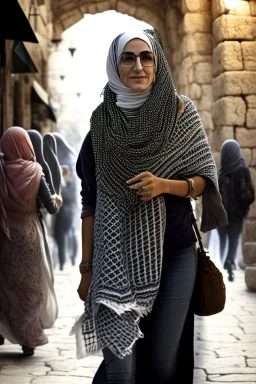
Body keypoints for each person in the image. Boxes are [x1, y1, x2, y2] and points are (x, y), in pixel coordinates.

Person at [72, 30, 227, 384]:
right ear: (115, 65)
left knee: (161, 365)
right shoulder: (101, 125)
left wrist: (164, 186)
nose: (138, 66)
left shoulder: (180, 112)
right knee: (121, 370)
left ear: (157, 65)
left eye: (147, 57)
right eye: (128, 58)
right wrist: (86, 269)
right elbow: (90, 201)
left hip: (175, 256)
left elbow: (204, 179)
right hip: (115, 263)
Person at [0, 126, 62, 356]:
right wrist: (58, 199)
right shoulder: (35, 172)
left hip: (4, 236)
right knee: (29, 285)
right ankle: (29, 338)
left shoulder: (1, 171)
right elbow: (51, 208)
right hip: (28, 236)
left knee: (5, 284)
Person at [217, 139, 255, 282]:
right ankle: (230, 262)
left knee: (222, 240)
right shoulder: (243, 169)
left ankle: (221, 265)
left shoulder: (221, 172)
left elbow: (217, 196)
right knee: (233, 240)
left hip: (222, 215)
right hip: (237, 215)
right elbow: (249, 196)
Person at [52, 132, 79, 270]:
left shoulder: (64, 161)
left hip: (66, 202)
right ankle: (71, 259)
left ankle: (64, 262)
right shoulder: (67, 158)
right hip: (70, 202)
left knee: (61, 232)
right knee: (69, 231)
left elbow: (69, 184)